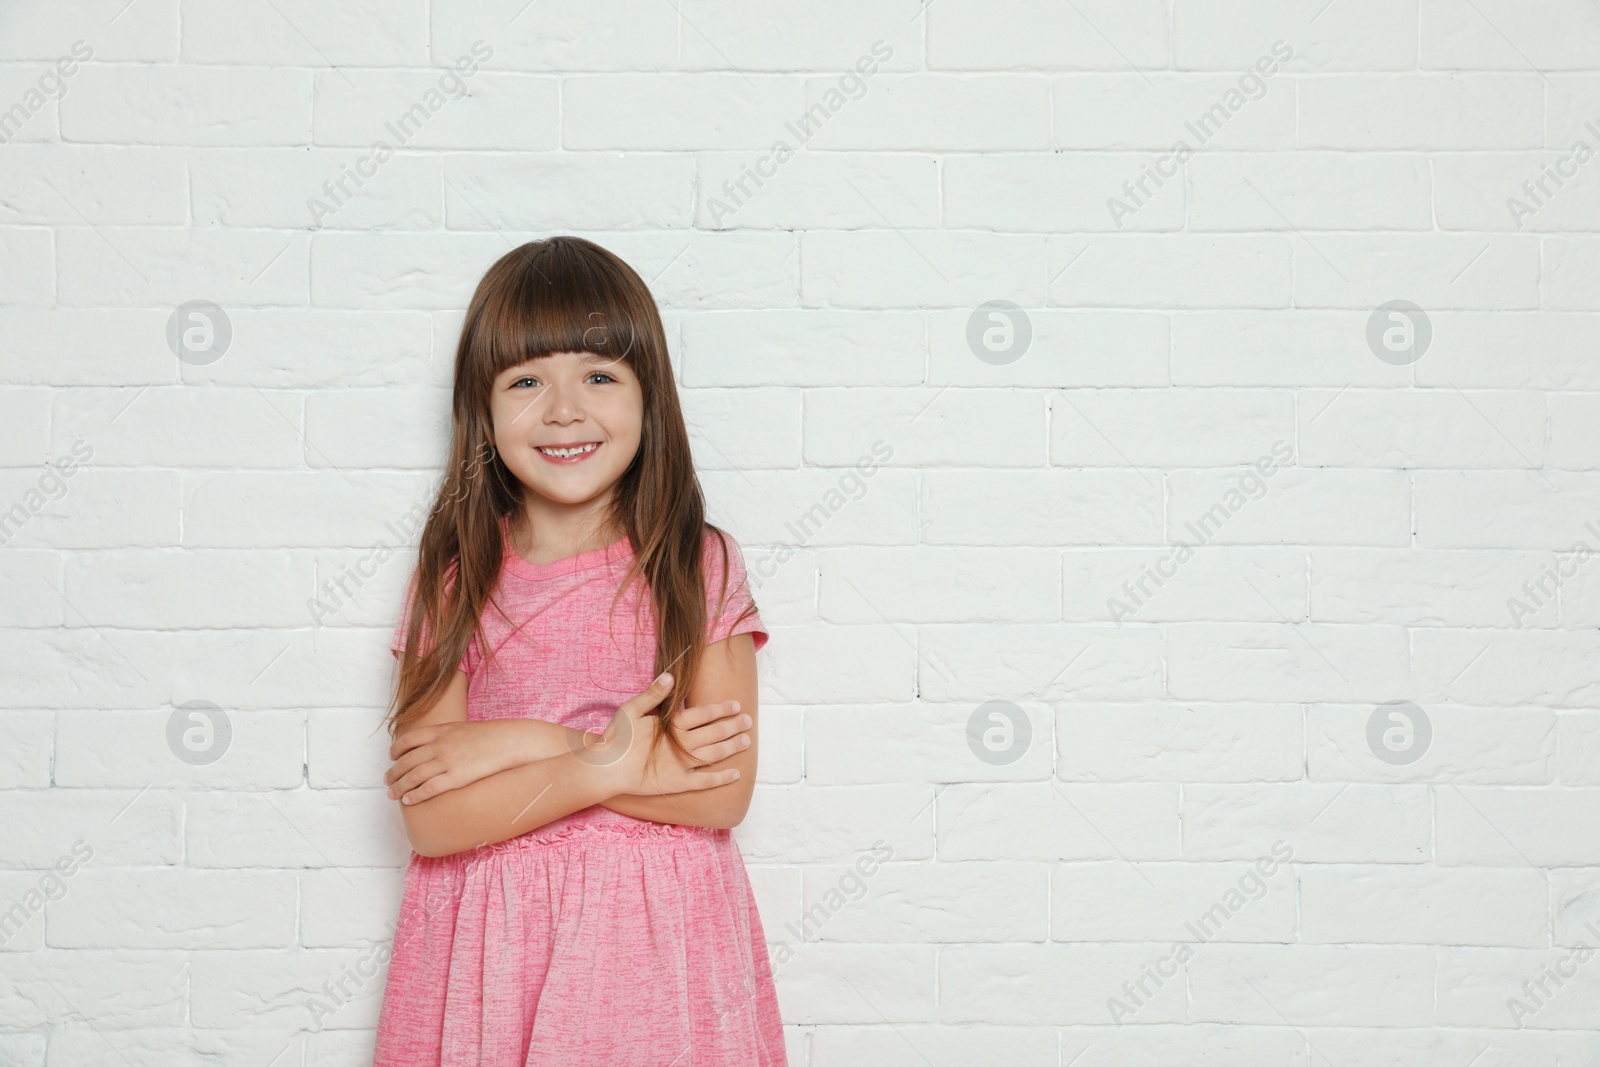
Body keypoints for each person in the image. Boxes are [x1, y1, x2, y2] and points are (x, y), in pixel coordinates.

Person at [372, 235, 786, 1066]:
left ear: (649, 396)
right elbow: (433, 816)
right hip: (493, 950)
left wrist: (504, 750)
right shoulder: (452, 582)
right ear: (481, 408)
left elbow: (716, 791)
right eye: (526, 381)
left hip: (659, 953)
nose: (564, 409)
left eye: (599, 375)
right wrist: (600, 751)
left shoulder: (697, 563)